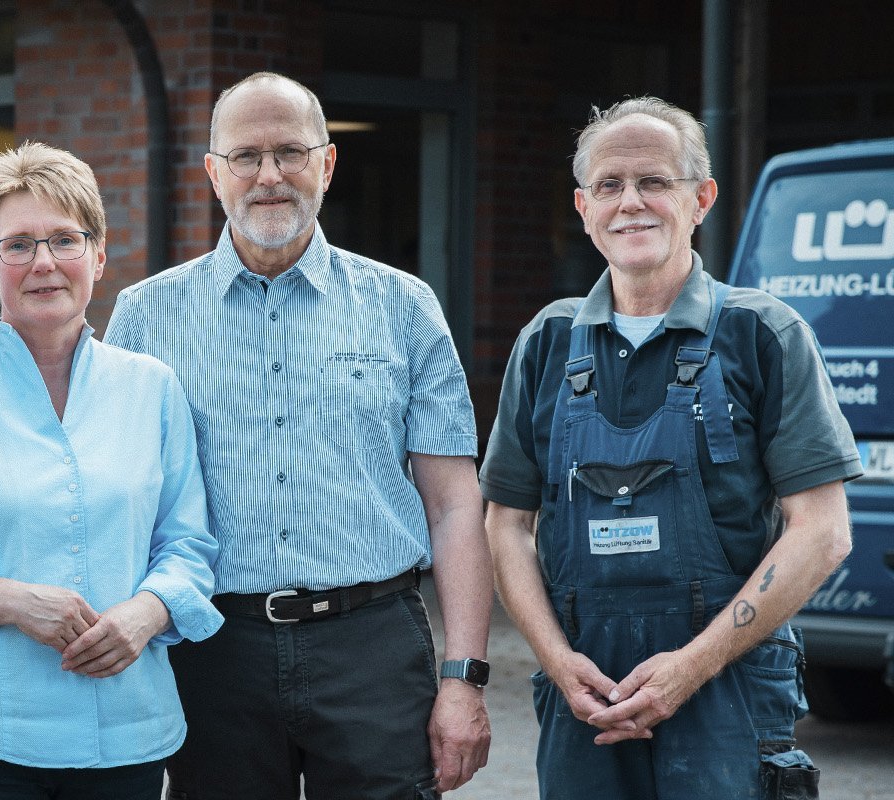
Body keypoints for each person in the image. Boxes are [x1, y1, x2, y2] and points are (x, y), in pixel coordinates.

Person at [105, 71, 492, 799]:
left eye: (290, 152)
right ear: (213, 172)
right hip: (211, 650)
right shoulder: (144, 318)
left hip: (373, 647)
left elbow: (453, 505)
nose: (269, 176)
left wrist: (464, 678)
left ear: (327, 163)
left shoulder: (405, 307)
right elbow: (117, 501)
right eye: (246, 157)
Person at [480, 96, 860, 799]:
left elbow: (823, 531)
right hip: (586, 693)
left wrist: (691, 667)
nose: (630, 202)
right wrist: (558, 662)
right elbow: (505, 524)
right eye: (609, 185)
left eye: (654, 181)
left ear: (701, 199)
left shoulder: (762, 333)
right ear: (583, 207)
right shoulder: (547, 342)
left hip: (728, 689)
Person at [0, 141, 222, 799]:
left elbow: (190, 546)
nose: (44, 262)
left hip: (126, 737)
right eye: (19, 245)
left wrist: (147, 612)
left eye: (65, 239)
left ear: (99, 256)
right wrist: (8, 601)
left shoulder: (153, 390)